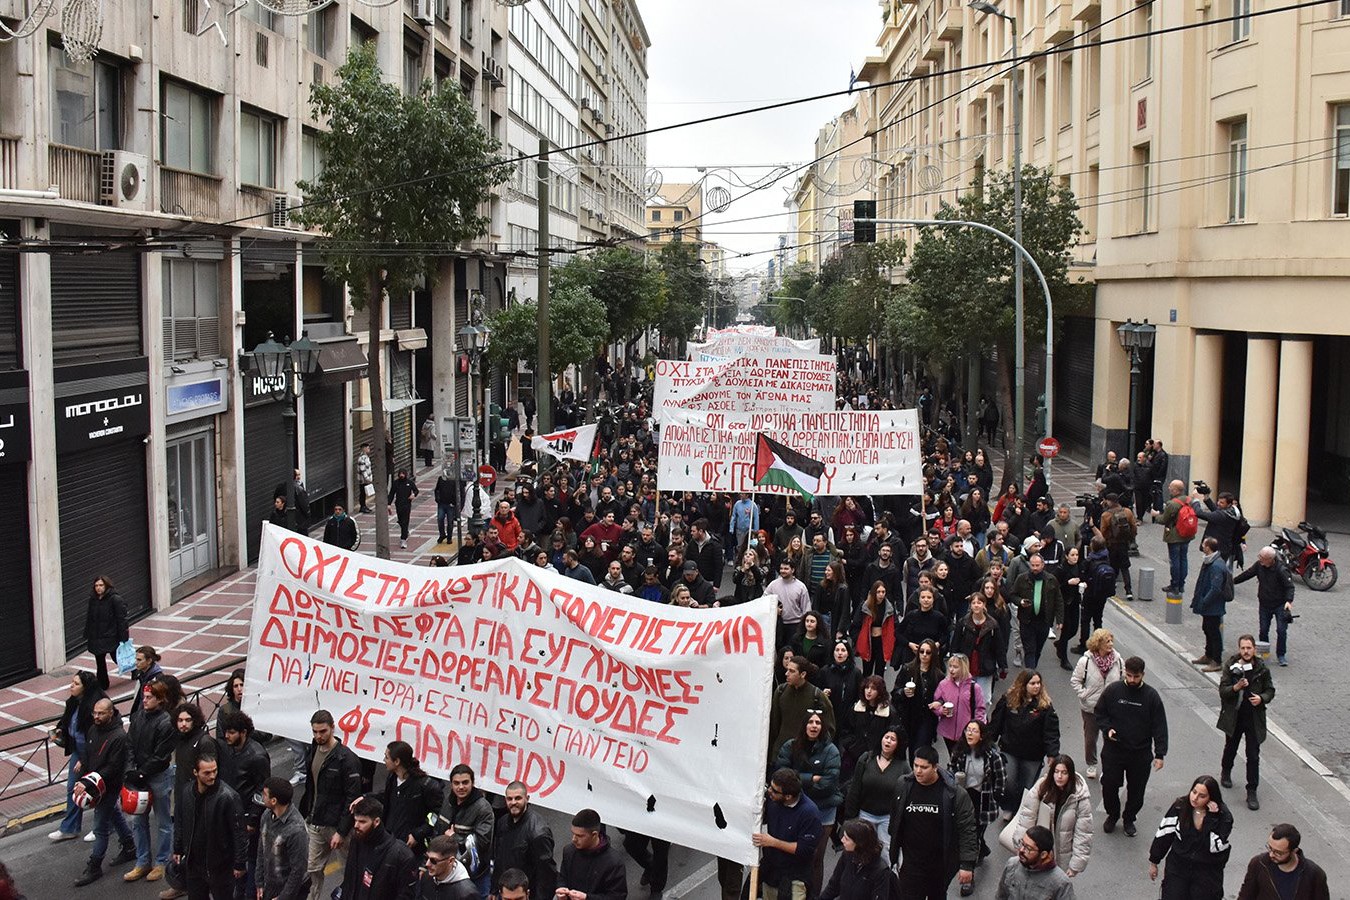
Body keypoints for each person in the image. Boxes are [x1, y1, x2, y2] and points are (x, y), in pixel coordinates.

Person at [888, 745, 978, 898]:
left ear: (935, 767)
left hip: (939, 866)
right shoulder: (903, 785)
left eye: (924, 767)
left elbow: (967, 829)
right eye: (916, 766)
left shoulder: (954, 794)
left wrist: (966, 864)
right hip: (910, 865)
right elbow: (895, 817)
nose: (918, 771)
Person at [1094, 656, 1168, 836]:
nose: (1132, 680)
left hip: (1140, 753)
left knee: (1137, 791)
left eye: (1136, 677)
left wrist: (1160, 754)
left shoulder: (1151, 697)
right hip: (1114, 750)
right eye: (1128, 676)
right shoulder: (1113, 691)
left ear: (1143, 674)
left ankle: (1129, 818)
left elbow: (1159, 726)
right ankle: (1113, 815)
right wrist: (1107, 729)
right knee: (1109, 784)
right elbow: (1100, 712)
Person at [774, 712, 842, 897]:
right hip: (793, 810)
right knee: (791, 856)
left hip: (823, 810)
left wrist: (796, 782)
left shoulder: (831, 751)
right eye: (810, 722)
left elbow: (828, 783)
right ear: (804, 725)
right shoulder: (791, 746)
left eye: (818, 722)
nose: (814, 726)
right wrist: (811, 778)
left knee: (815, 858)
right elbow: (780, 774)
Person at [299, 710, 364, 900]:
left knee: (348, 870)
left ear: (333, 728)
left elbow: (352, 798)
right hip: (316, 821)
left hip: (337, 824)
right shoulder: (313, 749)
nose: (318, 736)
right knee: (312, 867)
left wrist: (342, 831)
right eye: (315, 732)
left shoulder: (347, 759)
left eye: (323, 731)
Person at [72, 698, 136, 886]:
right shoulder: (93, 729)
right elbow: (88, 754)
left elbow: (113, 768)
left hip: (109, 787)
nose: (96, 717)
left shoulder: (118, 737)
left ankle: (95, 865)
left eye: (100, 713)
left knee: (100, 827)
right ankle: (129, 845)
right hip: (95, 784)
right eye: (94, 713)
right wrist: (83, 773)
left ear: (111, 713)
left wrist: (87, 781)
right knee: (114, 814)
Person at [173, 754, 247, 899]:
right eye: (207, 773)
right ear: (195, 773)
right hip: (194, 863)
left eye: (215, 771)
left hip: (220, 865)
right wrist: (178, 847)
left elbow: (239, 833)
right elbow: (180, 821)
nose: (212, 776)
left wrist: (239, 863)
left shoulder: (228, 797)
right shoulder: (187, 792)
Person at [989, 670, 1059, 820]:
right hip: (1010, 750)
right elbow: (996, 723)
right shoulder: (1008, 701)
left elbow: (1051, 732)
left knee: (1026, 786)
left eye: (1038, 683)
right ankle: (1008, 806)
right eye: (1032, 683)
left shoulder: (1044, 707)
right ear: (1023, 684)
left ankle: (1020, 811)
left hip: (1032, 755)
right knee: (1008, 782)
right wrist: (988, 742)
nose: (1036, 686)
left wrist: (1052, 754)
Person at [1148, 776, 1234, 900]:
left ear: (1211, 798)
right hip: (1178, 865)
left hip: (1206, 870)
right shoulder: (1180, 806)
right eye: (1194, 792)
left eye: (1202, 796)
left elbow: (1215, 847)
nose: (1195, 798)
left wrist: (1210, 819)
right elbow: (1164, 833)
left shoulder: (1223, 817)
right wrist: (1154, 861)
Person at [124, 680, 176, 882]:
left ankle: (162, 862)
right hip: (139, 775)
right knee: (138, 820)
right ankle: (142, 861)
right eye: (144, 697)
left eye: (149, 698)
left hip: (157, 776)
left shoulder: (165, 723)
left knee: (163, 821)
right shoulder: (137, 717)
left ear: (160, 699)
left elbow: (162, 755)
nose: (144, 701)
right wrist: (130, 769)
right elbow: (129, 745)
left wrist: (141, 772)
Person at [1010, 755, 1093, 879]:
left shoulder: (1080, 797)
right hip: (1038, 850)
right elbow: (1027, 817)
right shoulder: (1041, 788)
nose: (1059, 776)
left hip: (1061, 855)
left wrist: (1076, 864)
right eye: (1056, 772)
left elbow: (1083, 833)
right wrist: (1020, 845)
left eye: (1064, 773)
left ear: (1070, 774)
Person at [1218, 635, 1275, 811]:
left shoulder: (1262, 669)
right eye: (1243, 648)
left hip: (1253, 717)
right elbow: (1223, 690)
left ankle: (1252, 791)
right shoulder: (1231, 666)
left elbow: (1270, 690)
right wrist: (1235, 688)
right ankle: (1226, 771)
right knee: (1231, 747)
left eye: (1249, 648)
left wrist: (1262, 698)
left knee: (1253, 755)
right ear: (1239, 649)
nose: (1246, 651)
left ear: (1254, 649)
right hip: (1234, 716)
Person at [50, 671, 103, 843]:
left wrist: (84, 759)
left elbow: (94, 735)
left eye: (76, 683)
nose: (71, 686)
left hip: (94, 752)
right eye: (72, 682)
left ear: (86, 688)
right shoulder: (73, 702)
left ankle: (102, 826)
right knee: (73, 788)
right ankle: (70, 828)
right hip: (78, 750)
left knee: (98, 790)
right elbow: (68, 722)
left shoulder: (96, 706)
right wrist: (60, 730)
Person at [753, 769, 821, 900]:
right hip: (771, 873)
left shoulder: (809, 813)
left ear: (788, 796)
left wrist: (773, 842)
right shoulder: (773, 801)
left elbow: (805, 849)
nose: (769, 792)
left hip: (795, 877)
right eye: (770, 786)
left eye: (774, 790)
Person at [948, 719, 1006, 872]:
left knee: (975, 832)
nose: (970, 733)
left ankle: (969, 869)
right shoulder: (959, 751)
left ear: (981, 736)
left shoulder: (992, 756)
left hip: (983, 798)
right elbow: (951, 769)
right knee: (966, 830)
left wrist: (997, 796)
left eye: (974, 730)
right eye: (968, 730)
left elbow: (1000, 777)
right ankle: (982, 848)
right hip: (964, 796)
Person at [842, 729, 906, 857]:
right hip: (865, 814)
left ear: (898, 744)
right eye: (886, 737)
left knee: (885, 854)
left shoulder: (903, 766)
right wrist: (849, 817)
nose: (888, 741)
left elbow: (904, 797)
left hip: (887, 818)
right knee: (861, 852)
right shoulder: (866, 759)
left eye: (893, 739)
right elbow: (855, 788)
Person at [370, 741, 442, 854]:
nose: (384, 760)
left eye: (387, 757)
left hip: (410, 848)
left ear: (397, 761)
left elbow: (436, 816)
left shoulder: (426, 786)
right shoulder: (392, 779)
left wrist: (418, 834)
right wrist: (365, 797)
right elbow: (387, 798)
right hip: (389, 840)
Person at [1069, 629, 1122, 781]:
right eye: (1107, 641)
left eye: (1111, 641)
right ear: (1098, 644)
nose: (1111, 644)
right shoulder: (1085, 661)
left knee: (1110, 739)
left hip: (1111, 710)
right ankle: (1091, 763)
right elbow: (1075, 680)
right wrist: (1084, 694)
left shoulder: (1118, 661)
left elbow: (1123, 678)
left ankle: (1107, 767)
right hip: (1090, 708)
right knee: (1090, 738)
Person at [340, 797, 419, 900]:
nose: (356, 826)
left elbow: (405, 895)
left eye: (362, 822)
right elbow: (350, 877)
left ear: (376, 822)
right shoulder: (357, 840)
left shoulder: (401, 855)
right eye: (355, 820)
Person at [492, 782, 556, 899]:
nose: (513, 803)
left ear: (527, 799)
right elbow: (499, 859)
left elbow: (546, 874)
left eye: (518, 798)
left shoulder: (538, 832)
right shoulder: (502, 822)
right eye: (509, 799)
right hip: (507, 890)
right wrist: (495, 889)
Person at [1234, 546, 1296, 667]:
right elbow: (1248, 574)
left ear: (1270, 559)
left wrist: (1289, 601)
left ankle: (1281, 654)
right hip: (1265, 604)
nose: (1259, 560)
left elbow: (1290, 586)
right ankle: (1264, 654)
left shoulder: (1281, 570)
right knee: (1263, 630)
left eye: (1262, 558)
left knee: (1281, 630)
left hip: (1279, 604)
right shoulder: (1259, 565)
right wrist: (1232, 581)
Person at [438, 765, 494, 897]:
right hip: (448, 871)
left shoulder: (483, 808)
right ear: (451, 784)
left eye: (465, 782)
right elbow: (437, 833)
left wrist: (454, 837)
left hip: (475, 876)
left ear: (472, 783)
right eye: (456, 783)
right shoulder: (448, 802)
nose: (461, 787)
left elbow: (482, 843)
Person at [1235, 823, 1330, 900]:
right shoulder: (1258, 863)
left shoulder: (1314, 874)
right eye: (1270, 848)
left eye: (1278, 853)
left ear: (1294, 851)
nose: (1271, 854)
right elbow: (1246, 895)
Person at [768, 656, 836, 762]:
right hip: (781, 753)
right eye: (787, 670)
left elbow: (829, 729)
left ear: (802, 674)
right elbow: (773, 725)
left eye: (792, 671)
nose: (787, 674)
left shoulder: (817, 696)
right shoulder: (781, 691)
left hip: (806, 756)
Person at [257, 776, 310, 900]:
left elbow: (298, 870)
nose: (262, 796)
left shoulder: (296, 830)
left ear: (274, 800)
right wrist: (259, 882)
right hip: (270, 884)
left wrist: (283, 897)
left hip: (290, 890)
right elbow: (262, 849)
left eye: (265, 794)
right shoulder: (266, 815)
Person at [557, 808, 627, 900]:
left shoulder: (614, 863)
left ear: (594, 835)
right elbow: (563, 877)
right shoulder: (569, 851)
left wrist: (587, 898)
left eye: (580, 836)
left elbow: (617, 897)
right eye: (573, 834)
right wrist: (561, 888)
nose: (573, 839)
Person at [996, 826, 1077, 900]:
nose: (1021, 850)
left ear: (1043, 854)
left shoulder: (1061, 883)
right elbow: (1000, 896)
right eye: (1022, 843)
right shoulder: (1012, 865)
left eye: (1028, 848)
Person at [819, 819, 892, 900]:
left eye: (847, 839)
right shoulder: (847, 855)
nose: (842, 840)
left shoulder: (881, 871)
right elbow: (833, 886)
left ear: (859, 843)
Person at [893, 640, 941, 759]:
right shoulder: (907, 669)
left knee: (920, 749)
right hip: (908, 715)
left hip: (927, 717)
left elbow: (943, 697)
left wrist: (939, 703)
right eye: (922, 651)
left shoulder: (938, 675)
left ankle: (917, 773)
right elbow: (894, 692)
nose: (924, 655)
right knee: (908, 748)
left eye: (928, 652)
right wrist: (903, 692)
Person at [1191, 537, 1233, 671]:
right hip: (1209, 606)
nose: (1202, 546)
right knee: (1207, 629)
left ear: (1208, 547)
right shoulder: (1211, 561)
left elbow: (1215, 588)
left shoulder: (1216, 565)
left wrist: (1204, 601)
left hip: (1213, 606)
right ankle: (1208, 655)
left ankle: (1216, 660)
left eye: (1204, 544)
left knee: (1214, 632)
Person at [1012, 554, 1060, 670]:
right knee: (1030, 650)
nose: (1035, 568)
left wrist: (1060, 619)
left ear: (1043, 565)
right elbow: (1013, 595)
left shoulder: (1051, 580)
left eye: (1037, 565)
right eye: (1032, 565)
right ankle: (1030, 675)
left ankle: (1031, 670)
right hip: (1027, 621)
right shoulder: (1022, 579)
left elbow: (1058, 600)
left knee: (1037, 650)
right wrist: (1020, 601)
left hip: (1044, 622)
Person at [931, 654, 984, 758]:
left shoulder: (974, 688)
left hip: (966, 732)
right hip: (948, 731)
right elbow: (936, 702)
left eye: (955, 667)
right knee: (953, 756)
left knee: (963, 757)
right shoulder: (944, 684)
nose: (951, 669)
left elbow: (980, 709)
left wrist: (978, 728)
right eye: (950, 666)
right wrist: (941, 710)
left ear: (963, 668)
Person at [83, 575, 129, 690]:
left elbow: (121, 619)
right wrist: (87, 633)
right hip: (97, 636)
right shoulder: (93, 599)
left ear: (107, 585)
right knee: (100, 661)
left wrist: (123, 637)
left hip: (111, 635)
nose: (98, 588)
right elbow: (90, 617)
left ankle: (134, 669)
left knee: (117, 657)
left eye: (101, 585)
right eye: (96, 585)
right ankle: (103, 683)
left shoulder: (115, 599)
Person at [1159, 480, 1195, 595]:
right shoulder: (1189, 500)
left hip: (1175, 535)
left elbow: (1164, 519)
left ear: (1175, 490)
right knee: (1183, 559)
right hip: (1187, 534)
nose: (1168, 488)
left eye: (1170, 487)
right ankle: (1181, 584)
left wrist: (1155, 516)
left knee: (1175, 561)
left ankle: (1174, 584)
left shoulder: (1172, 504)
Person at [416, 834, 479, 899]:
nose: (427, 864)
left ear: (450, 861)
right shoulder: (426, 877)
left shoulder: (466, 893)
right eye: (427, 858)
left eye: (433, 860)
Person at [388, 470, 420, 550]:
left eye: (403, 474)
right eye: (400, 474)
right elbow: (391, 494)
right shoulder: (396, 483)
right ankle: (405, 531)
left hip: (407, 505)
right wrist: (389, 504)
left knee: (405, 521)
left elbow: (416, 490)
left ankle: (403, 539)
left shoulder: (410, 482)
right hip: (398, 505)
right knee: (401, 521)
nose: (401, 475)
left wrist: (413, 495)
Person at [129, 646, 164, 717]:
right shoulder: (141, 675)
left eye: (139, 660)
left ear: (149, 661)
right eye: (136, 659)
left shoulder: (157, 678)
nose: (136, 663)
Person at [435, 469, 461, 544]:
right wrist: (437, 499)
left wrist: (455, 503)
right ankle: (442, 534)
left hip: (450, 504)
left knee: (450, 521)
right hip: (442, 503)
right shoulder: (440, 479)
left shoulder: (454, 481)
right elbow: (437, 490)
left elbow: (458, 492)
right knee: (440, 519)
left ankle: (449, 537)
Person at [356, 443, 375, 513]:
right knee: (362, 493)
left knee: (364, 493)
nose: (369, 449)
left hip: (366, 479)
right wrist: (367, 479)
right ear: (364, 449)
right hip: (363, 480)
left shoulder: (366, 457)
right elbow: (363, 470)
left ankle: (364, 506)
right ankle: (362, 506)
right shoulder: (361, 459)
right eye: (367, 448)